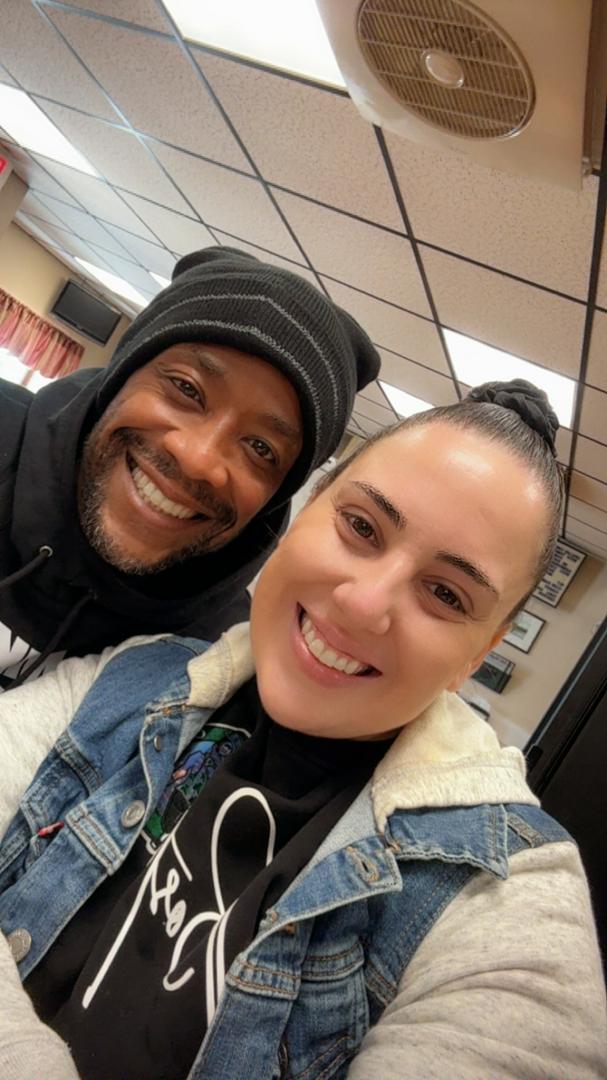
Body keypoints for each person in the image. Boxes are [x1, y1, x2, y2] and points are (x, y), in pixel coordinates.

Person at [0, 380, 605, 1080]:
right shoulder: (137, 674)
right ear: (307, 509)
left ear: (478, 653)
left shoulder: (507, 893)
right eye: (362, 528)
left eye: (445, 593)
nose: (363, 604)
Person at [0, 246, 379, 690]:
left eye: (261, 448)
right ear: (122, 375)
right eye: (186, 389)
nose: (198, 459)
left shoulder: (215, 663)